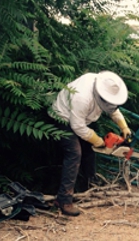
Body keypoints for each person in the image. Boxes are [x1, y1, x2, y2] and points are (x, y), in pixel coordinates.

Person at [50, 71, 131, 216]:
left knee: (89, 151)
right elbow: (77, 127)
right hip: (63, 118)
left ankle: (90, 185)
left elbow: (113, 109)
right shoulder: (82, 97)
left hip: (80, 120)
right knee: (75, 154)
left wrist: (123, 126)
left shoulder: (105, 89)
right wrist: (99, 141)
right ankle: (63, 200)